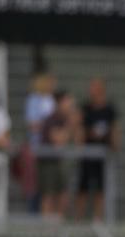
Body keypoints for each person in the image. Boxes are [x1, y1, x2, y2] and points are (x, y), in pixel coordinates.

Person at [76, 77, 119, 220]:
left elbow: (114, 130)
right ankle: (79, 221)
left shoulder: (109, 109)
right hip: (87, 156)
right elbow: (80, 129)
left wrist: (114, 145)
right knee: (83, 189)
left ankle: (98, 220)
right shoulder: (86, 108)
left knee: (101, 190)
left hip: (103, 157)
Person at [38, 91, 83, 217]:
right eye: (67, 101)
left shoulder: (68, 120)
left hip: (63, 164)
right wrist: (70, 125)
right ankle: (46, 231)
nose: (69, 105)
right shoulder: (52, 119)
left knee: (63, 197)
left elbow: (79, 142)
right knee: (49, 197)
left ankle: (58, 229)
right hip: (49, 164)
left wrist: (77, 124)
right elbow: (57, 140)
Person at [22, 73, 57, 213]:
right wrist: (47, 127)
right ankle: (33, 214)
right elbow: (32, 124)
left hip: (51, 150)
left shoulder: (52, 100)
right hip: (36, 148)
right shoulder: (33, 100)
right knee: (33, 185)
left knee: (48, 187)